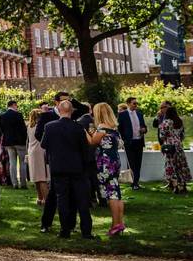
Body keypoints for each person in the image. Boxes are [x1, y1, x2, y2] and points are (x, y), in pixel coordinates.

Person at [40, 100, 93, 239]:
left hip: (58, 166)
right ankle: (86, 231)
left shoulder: (50, 126)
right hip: (77, 167)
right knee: (82, 200)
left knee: (62, 199)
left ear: (59, 109)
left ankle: (65, 230)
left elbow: (44, 144)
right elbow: (85, 148)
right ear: (72, 111)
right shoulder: (78, 127)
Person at [87, 103, 126, 236]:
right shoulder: (114, 128)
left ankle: (115, 224)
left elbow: (92, 142)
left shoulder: (102, 127)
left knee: (111, 195)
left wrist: (85, 132)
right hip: (114, 160)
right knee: (116, 192)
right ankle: (120, 223)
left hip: (105, 163)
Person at [159, 106, 191, 194]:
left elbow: (162, 135)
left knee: (171, 166)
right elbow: (183, 135)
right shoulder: (179, 121)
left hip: (170, 146)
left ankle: (175, 186)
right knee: (181, 166)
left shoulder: (166, 122)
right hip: (179, 145)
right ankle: (184, 186)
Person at [117, 97, 147, 190]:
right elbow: (119, 128)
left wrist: (144, 129)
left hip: (139, 141)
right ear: (128, 103)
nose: (136, 105)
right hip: (129, 142)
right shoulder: (122, 115)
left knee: (138, 163)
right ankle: (134, 182)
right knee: (132, 163)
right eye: (134, 103)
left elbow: (144, 126)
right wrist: (123, 139)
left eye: (136, 103)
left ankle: (136, 182)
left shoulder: (139, 114)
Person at [0, 100, 27, 190]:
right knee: (22, 162)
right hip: (19, 142)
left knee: (12, 162)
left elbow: (2, 129)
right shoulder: (19, 115)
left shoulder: (2, 116)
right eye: (16, 105)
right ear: (14, 105)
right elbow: (23, 129)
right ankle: (23, 183)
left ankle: (14, 183)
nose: (17, 107)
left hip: (8, 142)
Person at [27, 109, 50, 205]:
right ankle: (47, 200)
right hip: (40, 151)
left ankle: (39, 198)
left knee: (36, 177)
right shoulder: (40, 126)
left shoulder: (29, 126)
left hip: (32, 151)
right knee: (42, 177)